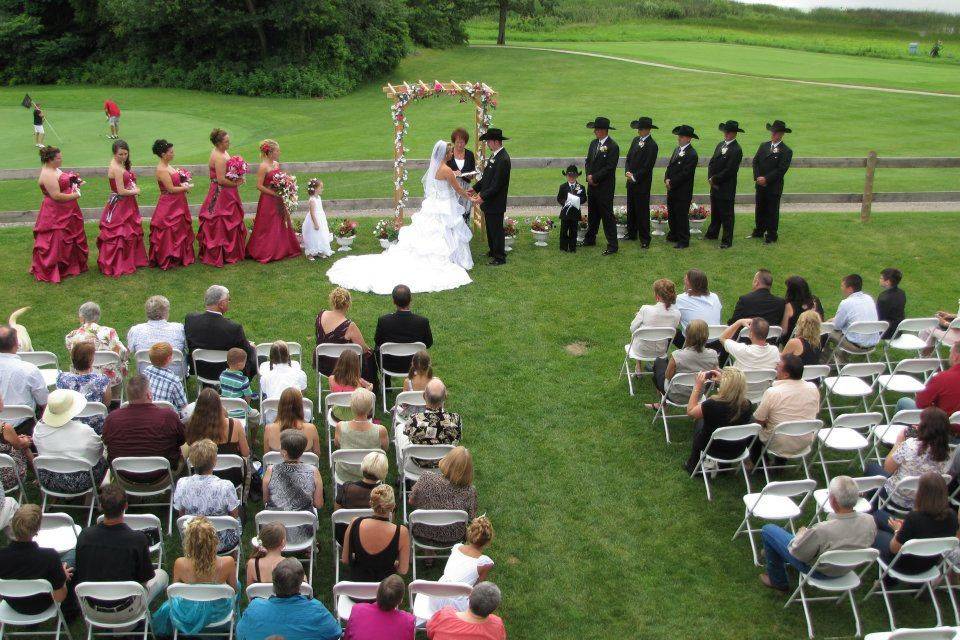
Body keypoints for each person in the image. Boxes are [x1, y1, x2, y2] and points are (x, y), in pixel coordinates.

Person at [327, 140, 475, 291]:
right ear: (445, 154)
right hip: (445, 206)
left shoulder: (437, 169)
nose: (452, 153)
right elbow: (458, 189)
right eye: (450, 152)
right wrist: (470, 197)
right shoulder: (447, 170)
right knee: (446, 231)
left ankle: (449, 257)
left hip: (436, 204)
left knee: (440, 232)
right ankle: (452, 259)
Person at [759, 476, 876, 592]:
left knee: (768, 530)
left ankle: (778, 581)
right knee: (780, 542)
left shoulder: (822, 530)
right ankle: (774, 551)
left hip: (819, 571)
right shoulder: (870, 521)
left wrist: (800, 537)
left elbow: (798, 553)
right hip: (847, 569)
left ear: (833, 500)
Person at [74, 484, 168, 622]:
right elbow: (145, 579)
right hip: (128, 610)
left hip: (92, 609)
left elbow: (80, 571)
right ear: (125, 506)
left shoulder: (84, 535)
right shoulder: (137, 539)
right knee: (162, 575)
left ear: (101, 506)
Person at [152, 516, 237, 638]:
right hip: (218, 612)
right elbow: (234, 590)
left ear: (188, 542)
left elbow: (174, 592)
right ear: (214, 540)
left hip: (188, 611)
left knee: (168, 605)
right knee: (237, 584)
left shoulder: (180, 563)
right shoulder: (228, 562)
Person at [866, 407, 952, 521]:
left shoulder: (910, 445)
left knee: (871, 468)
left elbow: (888, 468)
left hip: (896, 497)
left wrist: (898, 442)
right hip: (924, 500)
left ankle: (872, 510)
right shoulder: (947, 452)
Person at [102, 375, 186, 485]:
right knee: (187, 447)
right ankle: (183, 488)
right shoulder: (168, 416)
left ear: (128, 396)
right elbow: (182, 440)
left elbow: (106, 442)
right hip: (162, 476)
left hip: (124, 476)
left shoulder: (112, 419)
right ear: (149, 394)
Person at [237, 558, 341, 640]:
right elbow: (335, 633)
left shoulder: (254, 608)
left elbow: (240, 634)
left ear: (274, 583)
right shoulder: (315, 610)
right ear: (300, 585)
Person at [873, 472, 958, 572]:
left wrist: (897, 530)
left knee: (873, 532)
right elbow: (929, 529)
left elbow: (894, 549)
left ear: (921, 493)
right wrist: (905, 527)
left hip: (903, 563)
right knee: (878, 515)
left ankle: (889, 580)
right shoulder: (952, 515)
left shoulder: (914, 517)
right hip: (930, 563)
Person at [0, 504, 71, 616]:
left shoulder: (2, 556)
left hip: (14, 605)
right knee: (71, 555)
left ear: (13, 526)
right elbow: (60, 597)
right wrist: (62, 576)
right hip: (44, 605)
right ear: (37, 529)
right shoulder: (49, 556)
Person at [33, 389, 108, 495]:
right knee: (105, 457)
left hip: (48, 480)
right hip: (80, 483)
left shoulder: (39, 430)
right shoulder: (84, 431)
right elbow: (99, 451)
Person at [32, 145, 89, 283]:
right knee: (57, 238)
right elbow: (56, 196)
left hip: (67, 210)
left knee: (71, 236)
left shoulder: (54, 169)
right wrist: (76, 194)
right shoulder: (47, 174)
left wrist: (74, 183)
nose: (61, 160)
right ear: (50, 160)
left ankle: (72, 264)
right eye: (58, 158)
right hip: (55, 213)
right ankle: (57, 267)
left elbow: (63, 182)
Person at [174, 439, 241, 552]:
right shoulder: (226, 486)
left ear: (192, 462)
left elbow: (181, 515)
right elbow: (234, 516)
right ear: (214, 462)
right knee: (241, 513)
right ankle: (233, 557)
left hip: (193, 540)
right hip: (220, 542)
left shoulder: (182, 483)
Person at [683, 368, 754, 473]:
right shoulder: (747, 405)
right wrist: (723, 380)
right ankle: (724, 466)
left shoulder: (712, 404)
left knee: (699, 420)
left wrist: (697, 387)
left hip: (712, 448)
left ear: (726, 385)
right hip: (737, 449)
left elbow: (690, 411)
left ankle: (693, 463)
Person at [751, 354, 820, 461]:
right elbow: (814, 412)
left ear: (786, 375)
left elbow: (759, 420)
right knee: (785, 425)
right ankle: (779, 464)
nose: (775, 367)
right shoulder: (812, 388)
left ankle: (758, 463)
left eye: (778, 365)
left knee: (751, 425)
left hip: (779, 442)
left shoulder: (773, 392)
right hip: (804, 441)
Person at [424, 516, 495, 617]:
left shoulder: (457, 547)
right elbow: (477, 588)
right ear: (488, 541)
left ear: (469, 533)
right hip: (458, 607)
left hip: (437, 596)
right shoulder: (484, 562)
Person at [263, 430, 324, 545]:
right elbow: (319, 504)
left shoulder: (270, 470)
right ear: (302, 451)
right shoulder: (313, 471)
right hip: (304, 533)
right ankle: (308, 549)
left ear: (284, 452)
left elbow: (265, 500)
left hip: (274, 534)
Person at [184, 285, 258, 380]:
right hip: (226, 372)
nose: (229, 302)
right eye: (228, 299)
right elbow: (245, 352)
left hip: (200, 369)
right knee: (254, 353)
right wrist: (250, 346)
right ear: (221, 304)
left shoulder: (191, 319)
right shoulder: (233, 328)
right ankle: (240, 387)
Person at [197, 128, 247, 267]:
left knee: (230, 219)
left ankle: (231, 250)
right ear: (218, 143)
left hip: (227, 192)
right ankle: (222, 253)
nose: (228, 143)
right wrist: (236, 182)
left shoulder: (222, 151)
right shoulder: (218, 156)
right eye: (226, 141)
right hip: (220, 193)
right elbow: (221, 180)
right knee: (220, 220)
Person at [97, 139, 147, 277]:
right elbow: (121, 191)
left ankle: (130, 260)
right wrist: (136, 191)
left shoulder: (119, 164)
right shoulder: (117, 168)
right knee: (120, 233)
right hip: (121, 204)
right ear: (114, 153)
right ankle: (119, 263)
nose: (124, 156)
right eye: (120, 154)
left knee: (129, 232)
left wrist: (132, 187)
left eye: (125, 153)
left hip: (126, 203)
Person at [246, 139, 301, 264]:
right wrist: (274, 193)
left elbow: (279, 179)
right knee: (267, 224)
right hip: (267, 200)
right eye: (277, 150)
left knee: (281, 221)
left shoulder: (276, 164)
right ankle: (265, 250)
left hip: (278, 198)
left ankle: (281, 248)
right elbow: (259, 186)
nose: (279, 152)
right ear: (270, 152)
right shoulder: (263, 166)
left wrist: (286, 185)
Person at [410, 446, 479, 547]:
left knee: (428, 514)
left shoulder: (426, 478)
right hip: (454, 538)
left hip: (423, 534)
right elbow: (472, 518)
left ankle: (429, 553)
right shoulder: (470, 491)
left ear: (447, 461)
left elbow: (411, 501)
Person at [342, 484, 410, 582]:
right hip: (385, 593)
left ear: (371, 503)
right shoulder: (401, 532)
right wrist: (390, 563)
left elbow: (345, 559)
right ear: (392, 506)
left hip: (357, 592)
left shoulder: (355, 523)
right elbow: (403, 570)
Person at [186, 388, 250, 488]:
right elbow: (246, 452)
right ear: (219, 405)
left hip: (201, 475)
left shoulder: (192, 425)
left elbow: (190, 446)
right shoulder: (235, 425)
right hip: (232, 477)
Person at [652, 319, 719, 410]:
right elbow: (714, 375)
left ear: (687, 336)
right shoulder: (713, 355)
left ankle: (662, 405)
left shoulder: (678, 355)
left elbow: (668, 376)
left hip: (675, 395)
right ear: (706, 336)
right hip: (698, 395)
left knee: (659, 363)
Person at [150, 139, 195, 269]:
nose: (173, 154)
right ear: (163, 154)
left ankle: (180, 255)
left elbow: (175, 184)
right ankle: (169, 256)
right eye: (171, 152)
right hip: (169, 204)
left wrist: (182, 183)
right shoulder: (162, 169)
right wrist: (187, 187)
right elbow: (170, 189)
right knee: (169, 230)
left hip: (177, 202)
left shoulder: (168, 166)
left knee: (179, 229)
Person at [314, 287, 377, 381]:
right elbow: (363, 349)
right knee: (369, 355)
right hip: (342, 368)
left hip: (322, 364)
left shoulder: (320, 315)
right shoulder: (349, 326)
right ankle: (369, 388)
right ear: (348, 304)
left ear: (332, 301)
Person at [65, 301, 128, 389]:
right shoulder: (109, 332)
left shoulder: (71, 336)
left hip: (82, 379)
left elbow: (74, 358)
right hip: (109, 380)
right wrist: (123, 362)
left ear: (81, 318)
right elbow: (123, 352)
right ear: (97, 317)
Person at [471, 128, 512, 265]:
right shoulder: (494, 156)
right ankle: (493, 250)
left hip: (496, 201)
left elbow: (497, 185)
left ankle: (499, 257)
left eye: (488, 141)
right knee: (490, 227)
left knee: (496, 229)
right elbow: (487, 178)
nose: (487, 144)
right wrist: (474, 188)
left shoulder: (503, 159)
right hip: (489, 201)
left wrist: (482, 197)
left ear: (495, 141)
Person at [750, 120, 793, 244]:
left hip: (773, 186)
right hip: (760, 184)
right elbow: (755, 161)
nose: (773, 135)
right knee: (760, 208)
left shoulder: (786, 151)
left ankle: (771, 235)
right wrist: (758, 177)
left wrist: (766, 179)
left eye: (775, 133)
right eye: (772, 132)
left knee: (772, 211)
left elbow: (781, 170)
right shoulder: (764, 145)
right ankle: (759, 230)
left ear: (781, 134)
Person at [374, 284, 434, 375]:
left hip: (389, 366)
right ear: (410, 300)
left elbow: (378, 341)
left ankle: (386, 383)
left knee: (377, 348)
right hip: (415, 364)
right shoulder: (422, 322)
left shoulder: (384, 321)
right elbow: (428, 343)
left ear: (393, 301)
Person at [582, 116, 619, 255]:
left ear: (603, 130)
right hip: (592, 186)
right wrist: (588, 176)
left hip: (605, 187)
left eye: (596, 129)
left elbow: (609, 168)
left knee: (607, 216)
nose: (594, 132)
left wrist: (595, 177)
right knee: (593, 214)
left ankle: (613, 245)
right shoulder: (593, 144)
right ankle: (590, 238)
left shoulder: (613, 146)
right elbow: (588, 161)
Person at [0, 325, 48, 434]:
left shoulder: (28, 369)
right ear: (17, 344)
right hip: (24, 429)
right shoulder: (29, 369)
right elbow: (44, 402)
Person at [334, 388, 389, 484]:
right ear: (371, 408)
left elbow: (337, 445)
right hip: (372, 473)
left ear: (351, 406)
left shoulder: (341, 426)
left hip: (346, 473)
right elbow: (384, 450)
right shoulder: (380, 430)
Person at [704, 120, 744, 248]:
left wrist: (715, 179)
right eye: (726, 131)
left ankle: (727, 241)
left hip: (726, 187)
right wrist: (710, 177)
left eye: (729, 132)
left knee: (727, 215)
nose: (726, 134)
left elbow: (730, 170)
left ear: (734, 134)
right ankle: (712, 233)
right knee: (715, 211)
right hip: (714, 185)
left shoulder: (736, 149)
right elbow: (712, 162)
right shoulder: (720, 145)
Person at [56, 341, 111, 433]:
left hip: (70, 425)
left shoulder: (62, 378)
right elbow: (107, 404)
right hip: (96, 428)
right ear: (91, 360)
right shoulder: (102, 380)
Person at [401, 378, 462, 460]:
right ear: (446, 396)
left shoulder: (414, 420)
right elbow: (457, 439)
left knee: (399, 430)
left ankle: (401, 469)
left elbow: (406, 433)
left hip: (417, 464)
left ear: (423, 396)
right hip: (445, 464)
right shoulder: (455, 420)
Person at [126, 295, 187, 376]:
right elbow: (188, 348)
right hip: (174, 375)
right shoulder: (179, 328)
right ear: (165, 312)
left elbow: (127, 354)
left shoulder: (135, 330)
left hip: (146, 375)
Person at [897, 342, 960, 421]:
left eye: (950, 352)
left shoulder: (942, 378)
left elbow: (921, 403)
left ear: (956, 357)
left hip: (941, 428)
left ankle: (903, 431)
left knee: (903, 402)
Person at [628, 278, 681, 371]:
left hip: (641, 351)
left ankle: (638, 365)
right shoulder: (677, 314)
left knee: (638, 329)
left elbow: (632, 329)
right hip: (661, 351)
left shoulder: (645, 309)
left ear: (657, 296)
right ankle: (640, 366)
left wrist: (641, 317)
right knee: (643, 329)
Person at [343, 574, 416, 640]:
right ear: (400, 601)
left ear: (377, 592)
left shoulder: (357, 610)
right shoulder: (408, 621)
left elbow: (346, 637)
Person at [426, 582, 507, 640]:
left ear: (469, 597)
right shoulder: (497, 625)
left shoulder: (445, 615)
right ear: (494, 608)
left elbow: (430, 632)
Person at [623, 116, 659, 247]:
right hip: (630, 181)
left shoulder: (652, 145)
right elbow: (628, 158)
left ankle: (644, 239)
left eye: (641, 129)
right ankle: (631, 233)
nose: (638, 131)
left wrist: (635, 176)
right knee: (631, 208)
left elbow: (647, 166)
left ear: (648, 130)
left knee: (642, 211)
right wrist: (627, 172)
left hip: (642, 183)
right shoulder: (635, 140)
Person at [664, 124, 699, 250]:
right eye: (679, 136)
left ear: (689, 138)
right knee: (672, 213)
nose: (679, 138)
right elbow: (670, 166)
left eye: (682, 136)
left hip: (682, 190)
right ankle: (674, 234)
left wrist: (671, 182)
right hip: (672, 188)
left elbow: (685, 174)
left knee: (681, 214)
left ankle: (684, 239)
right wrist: (666, 178)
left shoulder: (692, 154)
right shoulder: (677, 150)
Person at [828, 274, 881, 355]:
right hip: (872, 344)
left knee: (826, 330)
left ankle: (827, 355)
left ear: (850, 289)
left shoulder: (846, 303)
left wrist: (831, 321)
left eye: (842, 286)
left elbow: (836, 326)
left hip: (855, 346)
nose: (841, 288)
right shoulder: (868, 298)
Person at [264, 387, 322, 457]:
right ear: (300, 405)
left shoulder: (269, 429)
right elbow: (317, 454)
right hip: (305, 467)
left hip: (277, 467)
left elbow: (267, 456)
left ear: (280, 405)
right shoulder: (311, 428)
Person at [0, 395, 33, 494]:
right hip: (7, 480)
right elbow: (19, 446)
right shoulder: (5, 428)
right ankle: (40, 479)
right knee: (24, 446)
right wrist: (25, 440)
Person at [328, 350, 374, 421]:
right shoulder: (359, 383)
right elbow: (363, 398)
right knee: (368, 404)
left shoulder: (331, 379)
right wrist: (369, 389)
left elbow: (333, 396)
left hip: (338, 415)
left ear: (339, 362)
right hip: (357, 415)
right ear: (356, 365)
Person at [675, 269, 723, 336]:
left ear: (689, 283)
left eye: (686, 279)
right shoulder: (715, 297)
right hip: (716, 341)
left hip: (694, 343)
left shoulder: (680, 299)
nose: (684, 281)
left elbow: (672, 318)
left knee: (670, 330)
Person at [143, 342, 187, 413]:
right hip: (167, 416)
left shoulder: (146, 371)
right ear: (169, 358)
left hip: (148, 412)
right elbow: (183, 405)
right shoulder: (174, 380)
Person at [219, 348, 256, 422]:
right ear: (240, 364)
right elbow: (248, 396)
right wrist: (247, 405)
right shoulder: (243, 380)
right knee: (256, 416)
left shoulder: (222, 375)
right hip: (240, 411)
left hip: (224, 410)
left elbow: (222, 389)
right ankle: (254, 433)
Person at [245, 522, 287, 587]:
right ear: (283, 542)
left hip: (259, 596)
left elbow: (250, 590)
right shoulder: (289, 565)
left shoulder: (252, 563)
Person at [448, 127, 477, 220]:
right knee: (453, 213)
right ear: (454, 142)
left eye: (462, 142)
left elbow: (473, 173)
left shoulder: (470, 154)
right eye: (457, 142)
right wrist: (453, 173)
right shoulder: (449, 154)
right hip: (452, 187)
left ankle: (465, 231)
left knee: (465, 212)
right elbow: (442, 171)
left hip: (466, 187)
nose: (460, 145)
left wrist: (470, 175)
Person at [556, 165, 586, 252]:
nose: (571, 178)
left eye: (573, 176)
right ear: (566, 176)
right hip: (565, 213)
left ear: (577, 176)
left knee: (574, 230)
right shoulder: (563, 186)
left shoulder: (581, 187)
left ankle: (572, 247)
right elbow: (559, 198)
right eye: (569, 176)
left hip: (575, 212)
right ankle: (563, 247)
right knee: (564, 230)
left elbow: (584, 198)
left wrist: (578, 200)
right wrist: (564, 202)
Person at [302, 178, 333, 260]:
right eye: (321, 187)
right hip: (314, 220)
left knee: (320, 235)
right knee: (312, 235)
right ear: (315, 189)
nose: (322, 189)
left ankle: (319, 250)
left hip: (320, 218)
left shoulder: (318, 197)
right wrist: (315, 223)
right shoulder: (312, 200)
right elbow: (312, 213)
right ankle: (310, 252)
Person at [877, 268, 906, 339]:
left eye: (881, 278)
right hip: (898, 330)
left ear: (887, 282)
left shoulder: (883, 298)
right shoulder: (901, 293)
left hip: (886, 332)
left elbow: (879, 317)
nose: (879, 280)